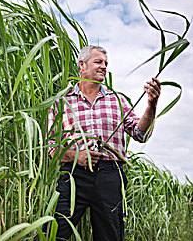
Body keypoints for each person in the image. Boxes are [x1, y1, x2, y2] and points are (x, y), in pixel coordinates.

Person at [44, 45, 161, 240]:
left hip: (109, 176)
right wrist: (77, 156)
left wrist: (152, 105)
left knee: (110, 236)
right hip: (73, 177)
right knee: (54, 234)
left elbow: (141, 134)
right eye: (98, 62)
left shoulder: (117, 100)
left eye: (106, 63)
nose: (104, 67)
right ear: (82, 65)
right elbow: (52, 148)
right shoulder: (62, 103)